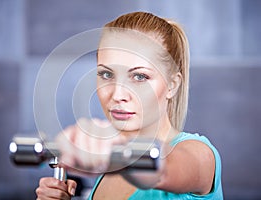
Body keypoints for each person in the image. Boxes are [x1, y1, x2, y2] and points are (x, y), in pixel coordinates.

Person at [35, 11, 223, 200]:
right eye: (107, 75)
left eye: (139, 77)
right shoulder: (108, 173)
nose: (117, 95)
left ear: (172, 85)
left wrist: (115, 147)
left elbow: (163, 171)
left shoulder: (201, 156)